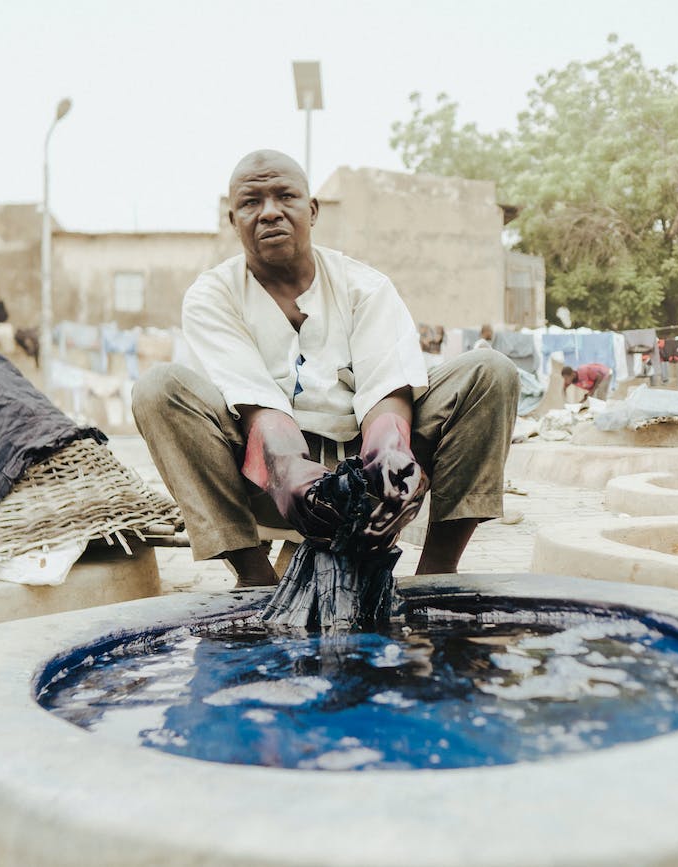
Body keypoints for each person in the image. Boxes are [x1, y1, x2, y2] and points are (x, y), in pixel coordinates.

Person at [132, 150, 518, 588]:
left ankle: (437, 575)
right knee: (158, 388)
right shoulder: (212, 295)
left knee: (490, 371)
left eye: (285, 197)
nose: (270, 212)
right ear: (232, 219)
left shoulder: (365, 287)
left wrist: (388, 454)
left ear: (312, 210)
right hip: (266, 478)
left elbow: (385, 385)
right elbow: (256, 403)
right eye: (251, 202)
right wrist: (289, 469)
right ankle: (255, 579)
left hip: (370, 473)